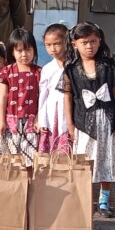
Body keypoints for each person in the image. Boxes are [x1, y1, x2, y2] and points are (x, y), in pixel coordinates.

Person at [61, 21, 115, 215]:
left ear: (99, 41)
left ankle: (104, 201)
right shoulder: (71, 69)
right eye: (84, 42)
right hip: (83, 121)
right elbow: (68, 96)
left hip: (107, 120)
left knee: (105, 159)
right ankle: (83, 199)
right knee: (84, 160)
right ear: (75, 44)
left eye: (93, 41)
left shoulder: (109, 66)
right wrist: (70, 124)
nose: (89, 46)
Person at [0, 28, 42, 168]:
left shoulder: (39, 72)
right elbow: (2, 97)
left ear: (34, 50)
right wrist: (1, 121)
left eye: (28, 50)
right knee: (10, 158)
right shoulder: (6, 72)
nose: (24, 54)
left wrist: (39, 118)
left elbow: (42, 98)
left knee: (30, 160)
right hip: (11, 122)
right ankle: (12, 188)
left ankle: (28, 187)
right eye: (19, 51)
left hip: (31, 122)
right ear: (12, 52)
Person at [37, 23, 72, 155]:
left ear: (66, 42)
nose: (53, 49)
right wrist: (42, 120)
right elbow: (43, 96)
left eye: (57, 44)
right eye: (48, 45)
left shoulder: (73, 65)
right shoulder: (47, 69)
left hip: (69, 111)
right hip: (52, 111)